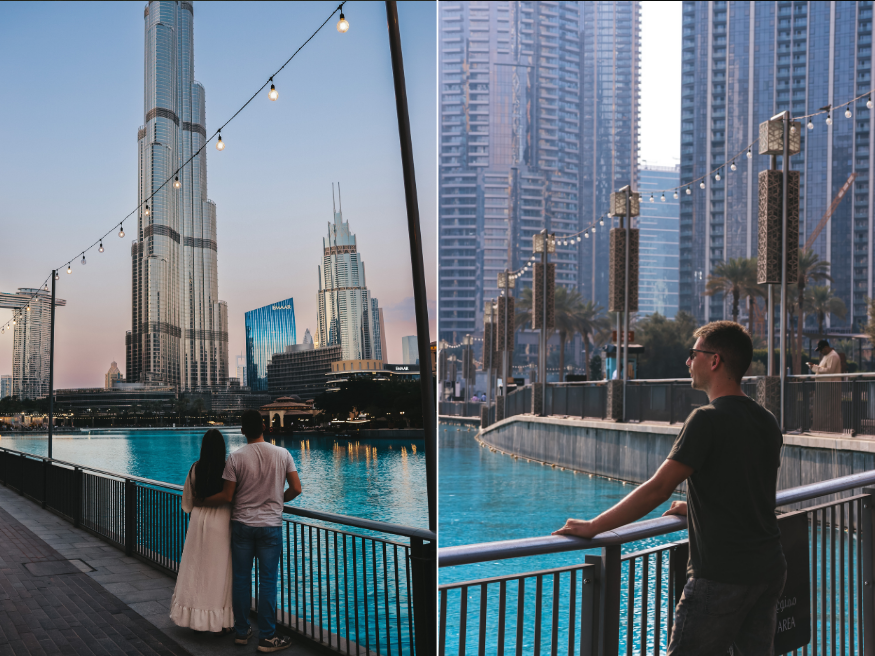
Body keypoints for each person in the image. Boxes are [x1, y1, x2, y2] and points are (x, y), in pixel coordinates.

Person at [553, 321, 786, 655]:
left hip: (722, 575)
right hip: (767, 567)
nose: (688, 362)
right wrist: (694, 506)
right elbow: (749, 489)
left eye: (693, 355)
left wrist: (593, 527)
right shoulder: (766, 420)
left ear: (715, 360)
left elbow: (658, 489)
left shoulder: (706, 419)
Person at [199, 410, 302, 653]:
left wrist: (200, 500)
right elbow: (296, 488)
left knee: (242, 580)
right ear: (264, 427)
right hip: (270, 527)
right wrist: (278, 500)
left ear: (242, 430)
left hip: (243, 525)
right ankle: (267, 637)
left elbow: (228, 495)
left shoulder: (235, 458)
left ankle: (242, 631)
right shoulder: (282, 453)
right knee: (267, 582)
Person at [170, 429, 234, 634]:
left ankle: (193, 616)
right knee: (219, 572)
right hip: (222, 522)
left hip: (198, 522)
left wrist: (200, 503)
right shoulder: (228, 469)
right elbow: (233, 498)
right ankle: (219, 619)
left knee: (195, 568)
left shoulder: (195, 468)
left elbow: (187, 503)